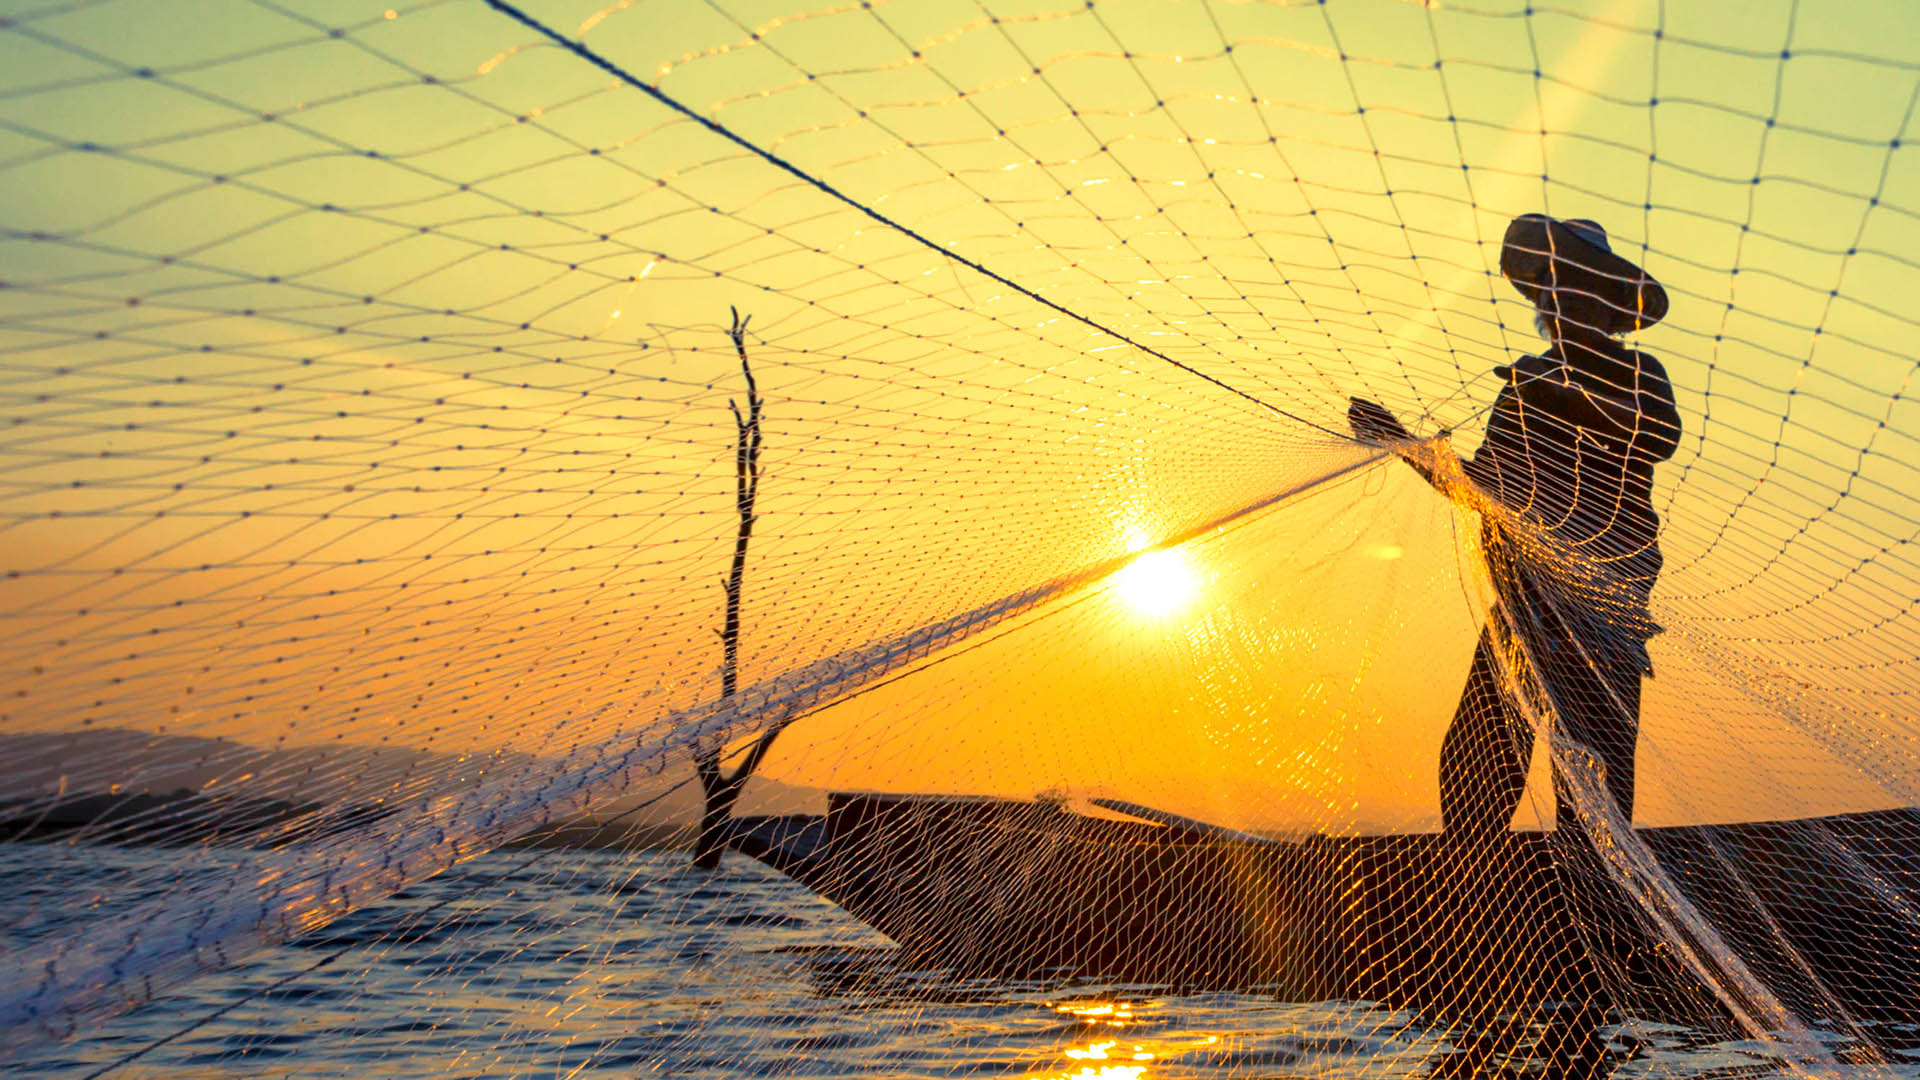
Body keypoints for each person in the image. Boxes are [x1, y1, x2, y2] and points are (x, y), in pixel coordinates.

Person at [1348, 213, 1682, 845]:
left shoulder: (1640, 374)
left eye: (1578, 290)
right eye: (1552, 290)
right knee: (1474, 764)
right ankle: (1474, 897)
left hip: (1601, 622)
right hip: (1524, 605)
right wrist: (1402, 442)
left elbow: (1656, 434)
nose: (1560, 302)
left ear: (1611, 306)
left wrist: (1556, 393)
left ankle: (1601, 923)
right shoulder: (1525, 382)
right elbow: (1484, 489)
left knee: (1593, 783)